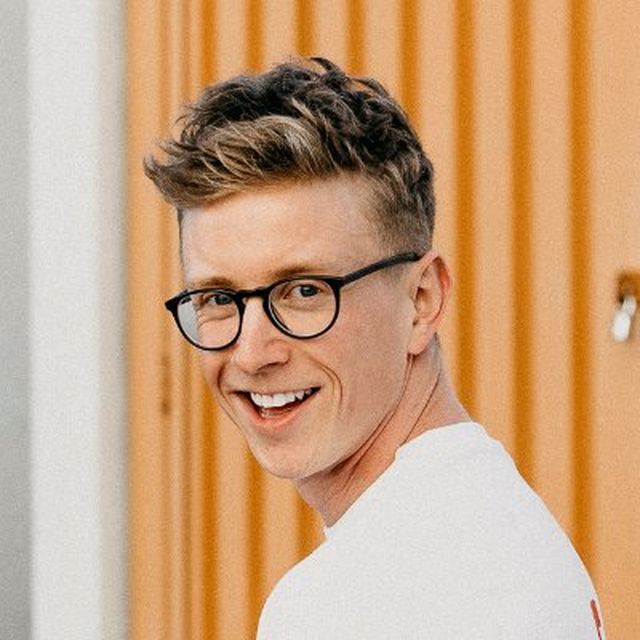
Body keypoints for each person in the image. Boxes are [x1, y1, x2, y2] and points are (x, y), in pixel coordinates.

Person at [145, 57, 606, 639]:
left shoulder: (348, 601)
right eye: (217, 298)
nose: (252, 352)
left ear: (422, 300)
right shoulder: (505, 532)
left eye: (304, 291)